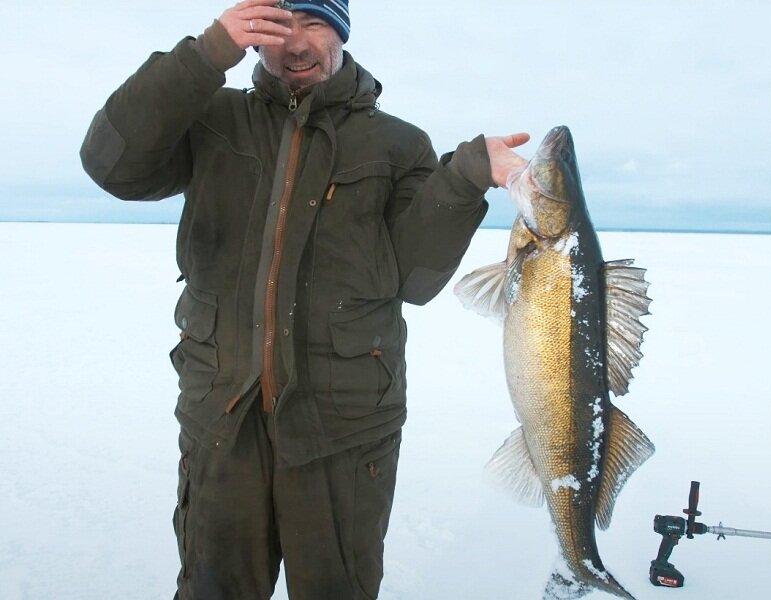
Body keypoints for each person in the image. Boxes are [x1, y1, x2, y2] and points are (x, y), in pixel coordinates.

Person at [80, 1, 529, 598]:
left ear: (341, 34)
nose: (297, 42)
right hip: (223, 414)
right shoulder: (212, 118)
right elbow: (112, 164)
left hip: (344, 427)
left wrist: (466, 176)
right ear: (253, 36)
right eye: (278, 24)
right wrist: (205, 52)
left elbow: (415, 277)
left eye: (315, 23)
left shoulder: (397, 143)